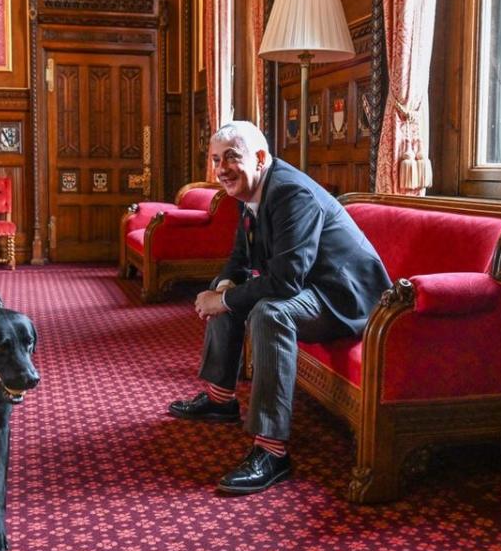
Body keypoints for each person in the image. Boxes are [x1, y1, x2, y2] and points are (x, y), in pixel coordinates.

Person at [168, 121, 391, 495]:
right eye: (215, 160)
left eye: (231, 158)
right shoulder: (253, 190)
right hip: (309, 284)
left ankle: (271, 452)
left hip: (344, 298)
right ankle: (221, 400)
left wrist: (222, 300)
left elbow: (286, 282)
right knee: (226, 291)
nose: (221, 169)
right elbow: (241, 256)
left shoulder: (290, 193)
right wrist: (223, 286)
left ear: (258, 157)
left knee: (270, 312)